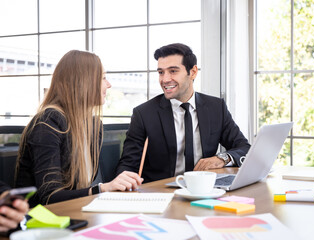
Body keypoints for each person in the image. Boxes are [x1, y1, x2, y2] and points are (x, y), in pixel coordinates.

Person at [15, 50, 143, 207]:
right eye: (103, 78)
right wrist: (103, 188)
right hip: (40, 222)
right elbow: (49, 197)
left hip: (75, 213)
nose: (108, 84)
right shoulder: (48, 122)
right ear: (84, 81)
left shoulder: (93, 125)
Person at [116, 43, 251, 183]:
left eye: (173, 71)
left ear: (192, 72)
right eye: (161, 72)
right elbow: (128, 165)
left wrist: (222, 158)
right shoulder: (144, 114)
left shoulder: (216, 107)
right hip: (161, 192)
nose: (165, 79)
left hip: (205, 189)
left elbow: (244, 148)